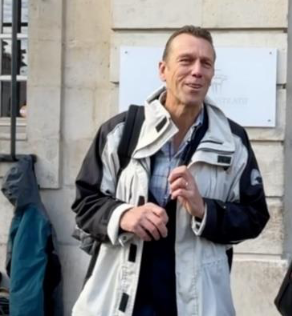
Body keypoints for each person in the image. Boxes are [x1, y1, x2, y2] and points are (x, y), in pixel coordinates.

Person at [71, 25, 270, 316]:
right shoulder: (121, 132)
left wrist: (204, 209)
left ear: (213, 74)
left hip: (197, 303)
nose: (197, 71)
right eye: (186, 60)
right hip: (122, 300)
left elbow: (254, 216)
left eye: (206, 63)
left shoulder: (232, 140)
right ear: (163, 70)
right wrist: (124, 215)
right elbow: (84, 203)